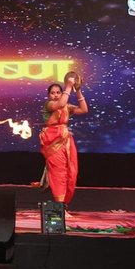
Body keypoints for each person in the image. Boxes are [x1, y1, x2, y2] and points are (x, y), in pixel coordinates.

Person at [40, 78, 87, 208]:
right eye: (52, 93)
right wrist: (69, 87)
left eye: (58, 92)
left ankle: (64, 204)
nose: (55, 95)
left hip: (66, 140)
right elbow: (59, 105)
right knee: (58, 172)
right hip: (52, 140)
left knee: (71, 172)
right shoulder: (49, 105)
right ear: (48, 95)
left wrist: (78, 90)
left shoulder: (67, 106)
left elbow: (84, 110)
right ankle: (59, 206)